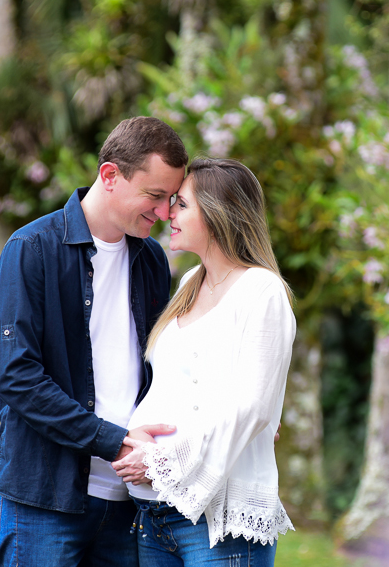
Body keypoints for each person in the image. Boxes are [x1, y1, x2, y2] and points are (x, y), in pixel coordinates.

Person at [0, 116, 188, 567]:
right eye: (155, 196)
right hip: (46, 499)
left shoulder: (152, 260)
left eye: (171, 200)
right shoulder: (32, 249)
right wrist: (113, 441)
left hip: (130, 502)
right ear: (110, 176)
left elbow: (169, 368)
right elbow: (17, 378)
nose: (163, 213)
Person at [112, 157, 296, 567]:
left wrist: (159, 460)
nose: (166, 213)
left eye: (180, 204)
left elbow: (253, 407)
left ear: (217, 214)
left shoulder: (261, 291)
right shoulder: (189, 283)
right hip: (153, 514)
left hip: (216, 523)